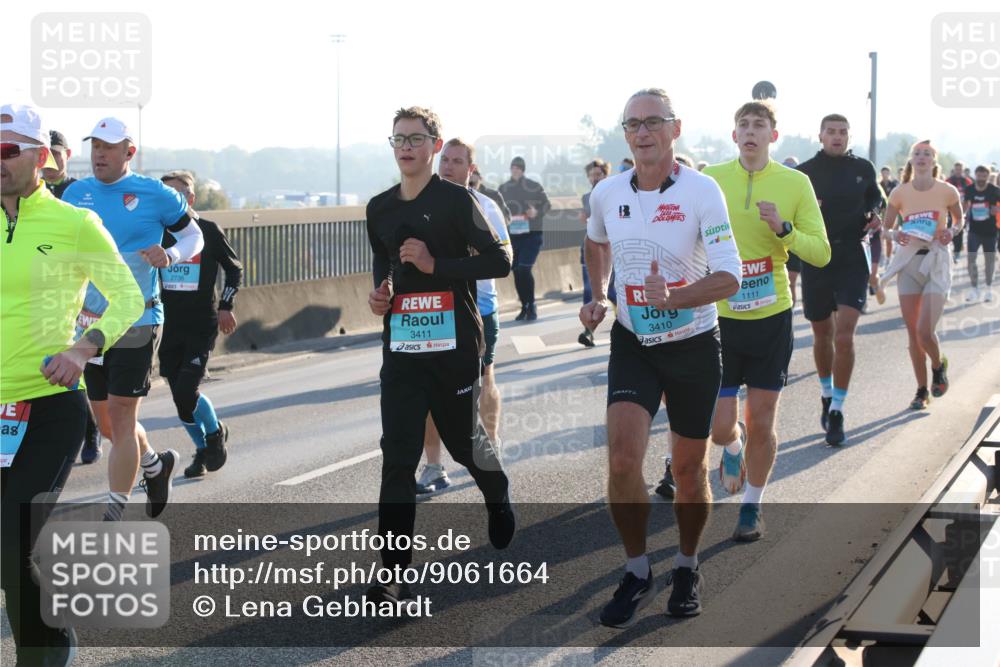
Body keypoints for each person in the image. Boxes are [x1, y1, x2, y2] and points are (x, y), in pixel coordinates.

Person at [582, 88, 741, 626]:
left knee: (691, 472)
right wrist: (601, 292)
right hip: (633, 343)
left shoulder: (702, 191)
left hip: (694, 343)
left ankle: (688, 563)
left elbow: (729, 276)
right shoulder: (607, 192)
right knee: (623, 460)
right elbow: (595, 241)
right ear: (625, 134)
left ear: (676, 129)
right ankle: (636, 570)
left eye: (653, 122)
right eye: (633, 124)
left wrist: (673, 297)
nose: (643, 132)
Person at [1, 102, 144, 665]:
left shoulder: (74, 223)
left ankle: (47, 651)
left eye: (8, 150)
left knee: (12, 539)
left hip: (46, 407)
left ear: (40, 158)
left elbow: (128, 297)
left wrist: (84, 348)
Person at [365, 107, 514, 602]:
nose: (406, 146)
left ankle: (497, 495)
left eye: (416, 138)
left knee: (463, 441)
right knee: (398, 459)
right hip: (403, 349)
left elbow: (501, 259)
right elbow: (383, 266)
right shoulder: (379, 208)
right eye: (398, 139)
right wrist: (380, 293)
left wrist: (436, 264)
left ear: (434, 144)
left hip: (453, 347)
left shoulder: (457, 201)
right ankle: (395, 574)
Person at [63, 117, 204, 521]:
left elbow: (195, 236)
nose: (99, 155)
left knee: (124, 416)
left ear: (129, 152)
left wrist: (171, 254)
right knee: (106, 424)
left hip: (138, 318)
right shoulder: (75, 194)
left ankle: (114, 513)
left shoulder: (154, 194)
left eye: (108, 147)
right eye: (95, 147)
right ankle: (155, 467)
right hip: (89, 325)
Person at [703, 101, 830, 541]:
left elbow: (821, 251)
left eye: (760, 125)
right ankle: (732, 449)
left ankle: (751, 507)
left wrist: (785, 232)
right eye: (744, 124)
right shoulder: (711, 180)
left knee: (762, 419)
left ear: (773, 136)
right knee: (720, 428)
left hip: (771, 316)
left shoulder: (795, 183)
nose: (751, 131)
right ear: (734, 135)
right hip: (720, 318)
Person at [414, 138, 510, 495]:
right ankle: (434, 466)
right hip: (435, 310)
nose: (448, 166)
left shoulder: (485, 207)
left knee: (483, 378)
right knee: (429, 388)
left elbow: (503, 260)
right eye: (445, 160)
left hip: (479, 308)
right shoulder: (421, 204)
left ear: (471, 170)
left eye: (457, 161)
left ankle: (492, 448)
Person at [796, 114, 884, 445]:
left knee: (844, 336)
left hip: (851, 257)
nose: (837, 136)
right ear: (820, 135)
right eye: (831, 132)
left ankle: (838, 409)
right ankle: (825, 391)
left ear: (849, 136)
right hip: (817, 257)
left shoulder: (863, 167)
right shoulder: (804, 172)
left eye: (843, 132)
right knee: (823, 334)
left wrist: (877, 215)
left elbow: (877, 198)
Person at [159, 170, 243, 478]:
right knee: (179, 398)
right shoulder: (156, 232)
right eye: (165, 194)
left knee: (186, 390)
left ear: (191, 198)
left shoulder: (206, 230)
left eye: (177, 194)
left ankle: (212, 436)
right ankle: (206, 444)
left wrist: (226, 305)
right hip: (166, 325)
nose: (171, 200)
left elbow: (234, 269)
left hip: (201, 324)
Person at [879, 140, 963, 409]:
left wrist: (951, 231)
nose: (922, 157)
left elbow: (960, 221)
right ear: (911, 161)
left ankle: (938, 366)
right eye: (917, 153)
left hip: (936, 262)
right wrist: (896, 234)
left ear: (934, 161)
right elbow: (885, 228)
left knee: (925, 331)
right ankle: (921, 390)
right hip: (908, 265)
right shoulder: (899, 193)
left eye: (927, 153)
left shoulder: (947, 191)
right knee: (913, 334)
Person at [500, 156, 550, 321]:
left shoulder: (533, 187)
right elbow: (497, 209)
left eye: (519, 168)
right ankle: (524, 306)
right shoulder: (503, 188)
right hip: (513, 237)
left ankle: (532, 304)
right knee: (516, 272)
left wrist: (536, 212)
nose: (515, 170)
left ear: (523, 170)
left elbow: (547, 205)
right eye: (513, 167)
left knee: (524, 269)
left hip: (532, 236)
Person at [579, 158, 615, 348]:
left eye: (598, 174)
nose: (594, 178)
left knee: (615, 292)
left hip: (612, 248)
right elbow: (585, 218)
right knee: (590, 291)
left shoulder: (614, 193)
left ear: (605, 174)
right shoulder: (586, 197)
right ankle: (589, 331)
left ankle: (627, 323)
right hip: (591, 247)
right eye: (591, 175)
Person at [961, 165, 1000, 302]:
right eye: (979, 176)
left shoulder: (995, 190)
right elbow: (965, 206)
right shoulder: (969, 189)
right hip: (974, 230)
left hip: (990, 231)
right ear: (975, 175)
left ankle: (989, 289)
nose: (981, 179)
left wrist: (997, 209)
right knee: (971, 260)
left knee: (989, 261)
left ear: (988, 177)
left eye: (984, 176)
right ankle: (974, 289)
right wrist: (962, 216)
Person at [782, 156, 803, 306]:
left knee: (792, 280)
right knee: (786, 281)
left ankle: (790, 311)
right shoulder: (777, 187)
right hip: (778, 242)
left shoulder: (802, 188)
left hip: (795, 241)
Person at [945, 161, 972, 263]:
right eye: (956, 169)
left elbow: (970, 197)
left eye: (960, 170)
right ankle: (949, 251)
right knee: (948, 229)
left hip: (963, 210)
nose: (958, 171)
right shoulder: (948, 181)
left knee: (959, 231)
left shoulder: (967, 181)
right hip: (949, 210)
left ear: (962, 170)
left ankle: (957, 253)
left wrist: (965, 210)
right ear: (954, 170)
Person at [42, 130, 77, 200]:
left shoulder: (79, 189)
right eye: (44, 154)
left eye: (54, 153)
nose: (49, 159)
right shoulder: (27, 191)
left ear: (68, 154)